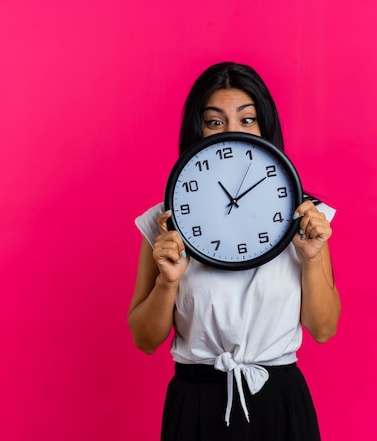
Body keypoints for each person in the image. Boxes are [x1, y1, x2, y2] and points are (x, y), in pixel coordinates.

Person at [128, 62, 341, 441]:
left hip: (278, 402)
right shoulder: (166, 220)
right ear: (197, 131)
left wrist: (310, 258)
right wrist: (167, 282)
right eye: (214, 122)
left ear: (264, 128)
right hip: (195, 405)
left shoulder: (305, 217)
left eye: (247, 120)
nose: (230, 134)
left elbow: (323, 330)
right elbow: (144, 340)